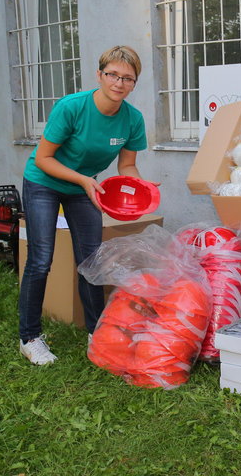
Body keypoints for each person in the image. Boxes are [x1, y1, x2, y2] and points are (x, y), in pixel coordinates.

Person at [18, 45, 156, 365]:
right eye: (112, 75)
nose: (118, 83)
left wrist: (140, 186)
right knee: (41, 259)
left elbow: (127, 166)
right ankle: (29, 337)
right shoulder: (72, 107)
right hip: (45, 182)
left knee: (92, 260)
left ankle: (98, 332)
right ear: (99, 75)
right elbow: (43, 158)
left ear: (135, 83)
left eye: (127, 78)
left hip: (85, 187)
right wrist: (82, 180)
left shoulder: (132, 120)